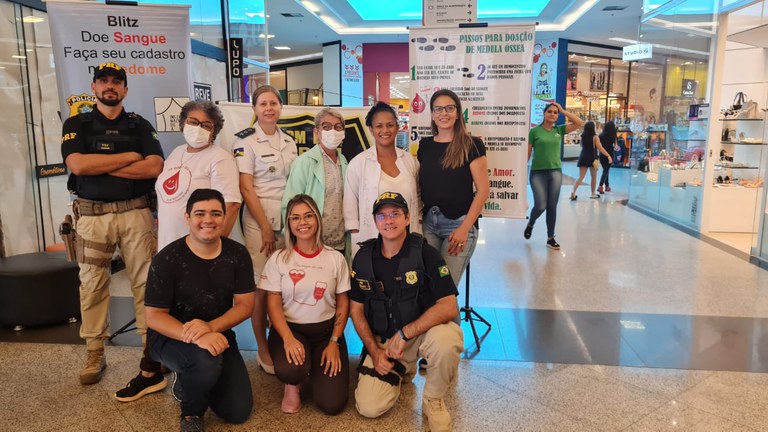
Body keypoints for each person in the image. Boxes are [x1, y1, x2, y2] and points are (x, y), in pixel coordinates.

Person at [60, 62, 166, 399]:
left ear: (125, 89)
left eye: (116, 82)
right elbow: (78, 165)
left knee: (145, 283)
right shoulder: (77, 123)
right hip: (92, 217)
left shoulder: (139, 125)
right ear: (93, 87)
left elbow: (154, 166)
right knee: (92, 283)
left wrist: (101, 166)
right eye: (103, 81)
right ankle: (95, 351)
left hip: (136, 213)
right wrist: (128, 158)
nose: (110, 86)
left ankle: (152, 353)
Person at [349, 191, 463, 432]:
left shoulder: (425, 254)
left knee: (448, 338)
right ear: (375, 221)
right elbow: (356, 311)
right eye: (382, 215)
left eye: (395, 214)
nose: (389, 221)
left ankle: (433, 399)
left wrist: (405, 334)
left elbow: (448, 306)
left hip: (418, 336)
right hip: (384, 344)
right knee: (369, 407)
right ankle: (403, 371)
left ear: (408, 218)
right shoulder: (363, 258)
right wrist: (374, 351)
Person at [145, 189, 255, 432]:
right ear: (187, 217)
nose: (208, 220)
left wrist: (211, 328)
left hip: (219, 334)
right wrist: (199, 335)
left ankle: (194, 378)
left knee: (237, 412)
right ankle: (191, 413)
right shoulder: (167, 259)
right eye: (200, 213)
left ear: (225, 218)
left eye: (216, 213)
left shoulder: (237, 255)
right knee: (205, 362)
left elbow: (246, 305)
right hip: (170, 336)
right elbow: (153, 317)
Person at [260, 194, 350, 415]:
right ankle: (293, 385)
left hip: (325, 333)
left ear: (317, 220)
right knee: (292, 369)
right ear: (288, 224)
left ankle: (315, 367)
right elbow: (273, 303)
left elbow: (343, 303)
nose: (303, 223)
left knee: (332, 404)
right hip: (290, 330)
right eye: (295, 218)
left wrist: (334, 342)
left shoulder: (335, 259)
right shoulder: (279, 259)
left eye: (308, 216)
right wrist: (288, 339)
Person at [234, 85, 298, 375]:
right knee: (262, 287)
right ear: (254, 109)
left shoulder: (289, 141)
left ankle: (282, 339)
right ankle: (261, 345)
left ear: (281, 107)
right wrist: (265, 227)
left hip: (289, 220)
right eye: (263, 104)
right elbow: (246, 188)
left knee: (285, 284)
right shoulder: (244, 141)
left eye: (274, 103)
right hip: (260, 220)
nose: (269, 108)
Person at [418, 89, 489, 287]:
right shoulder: (425, 145)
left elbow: (483, 190)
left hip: (459, 225)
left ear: (458, 112)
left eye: (449, 108)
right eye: (438, 109)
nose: (444, 113)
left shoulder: (471, 144)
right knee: (428, 286)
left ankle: (449, 319)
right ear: (432, 114)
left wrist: (465, 228)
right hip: (428, 225)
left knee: (445, 290)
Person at [156, 100, 240, 251]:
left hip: (200, 249)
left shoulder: (220, 158)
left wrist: (213, 248)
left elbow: (231, 205)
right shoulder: (176, 152)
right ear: (183, 123)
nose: (198, 129)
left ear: (213, 132)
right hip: (168, 243)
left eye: (206, 125)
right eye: (193, 122)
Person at [344, 102, 421, 258]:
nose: (385, 130)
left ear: (397, 127)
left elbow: (418, 201)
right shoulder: (358, 163)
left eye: (390, 125)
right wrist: (357, 240)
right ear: (371, 129)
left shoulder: (409, 161)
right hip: (372, 242)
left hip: (407, 242)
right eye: (379, 126)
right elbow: (350, 209)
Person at [282, 108, 348, 254]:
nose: (333, 131)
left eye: (338, 127)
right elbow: (290, 204)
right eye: (326, 127)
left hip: (339, 242)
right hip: (311, 241)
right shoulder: (304, 162)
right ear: (317, 132)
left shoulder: (343, 161)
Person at [523, 102, 584, 250]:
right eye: (549, 111)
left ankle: (550, 237)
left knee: (552, 206)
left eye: (555, 112)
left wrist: (563, 110)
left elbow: (579, 123)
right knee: (541, 205)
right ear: (544, 114)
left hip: (555, 172)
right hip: (537, 173)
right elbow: (528, 153)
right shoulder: (534, 132)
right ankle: (531, 223)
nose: (552, 114)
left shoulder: (559, 130)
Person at [570, 121, 612, 200]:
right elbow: (600, 148)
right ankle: (593, 193)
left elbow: (581, 145)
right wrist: (608, 155)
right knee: (594, 177)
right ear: (592, 128)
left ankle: (573, 192)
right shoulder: (595, 137)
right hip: (592, 158)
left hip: (583, 157)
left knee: (580, 177)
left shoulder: (582, 136)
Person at [597, 121, 617, 193]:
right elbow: (616, 146)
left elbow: (599, 145)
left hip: (602, 154)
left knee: (606, 170)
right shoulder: (613, 136)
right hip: (610, 154)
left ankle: (607, 186)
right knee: (606, 170)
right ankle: (600, 185)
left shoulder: (601, 135)